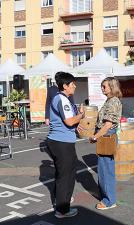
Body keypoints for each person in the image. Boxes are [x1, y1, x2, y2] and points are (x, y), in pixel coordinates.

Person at [45, 72, 84, 218]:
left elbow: (65, 122)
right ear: (65, 86)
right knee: (66, 176)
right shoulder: (62, 99)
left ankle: (60, 202)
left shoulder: (60, 98)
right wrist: (81, 115)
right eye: (72, 84)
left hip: (58, 141)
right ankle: (62, 209)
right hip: (62, 143)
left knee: (62, 174)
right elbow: (69, 121)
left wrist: (74, 125)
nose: (74, 86)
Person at [88, 77, 122, 210]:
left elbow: (108, 124)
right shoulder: (110, 100)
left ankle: (109, 200)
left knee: (105, 170)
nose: (102, 88)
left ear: (112, 87)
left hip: (106, 136)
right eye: (102, 86)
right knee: (105, 169)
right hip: (106, 136)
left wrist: (95, 136)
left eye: (104, 86)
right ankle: (107, 197)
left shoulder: (113, 101)